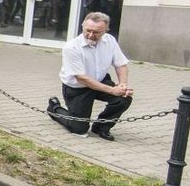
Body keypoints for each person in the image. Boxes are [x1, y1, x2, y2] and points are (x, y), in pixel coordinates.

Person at [48, 12, 133, 141]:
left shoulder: (109, 40)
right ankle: (54, 108)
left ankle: (101, 127)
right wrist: (112, 90)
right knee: (79, 128)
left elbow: (121, 64)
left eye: (97, 32)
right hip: (78, 87)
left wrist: (122, 85)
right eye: (88, 30)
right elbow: (81, 78)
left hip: (100, 81)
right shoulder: (71, 47)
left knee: (123, 98)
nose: (91, 35)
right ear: (82, 26)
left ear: (106, 30)